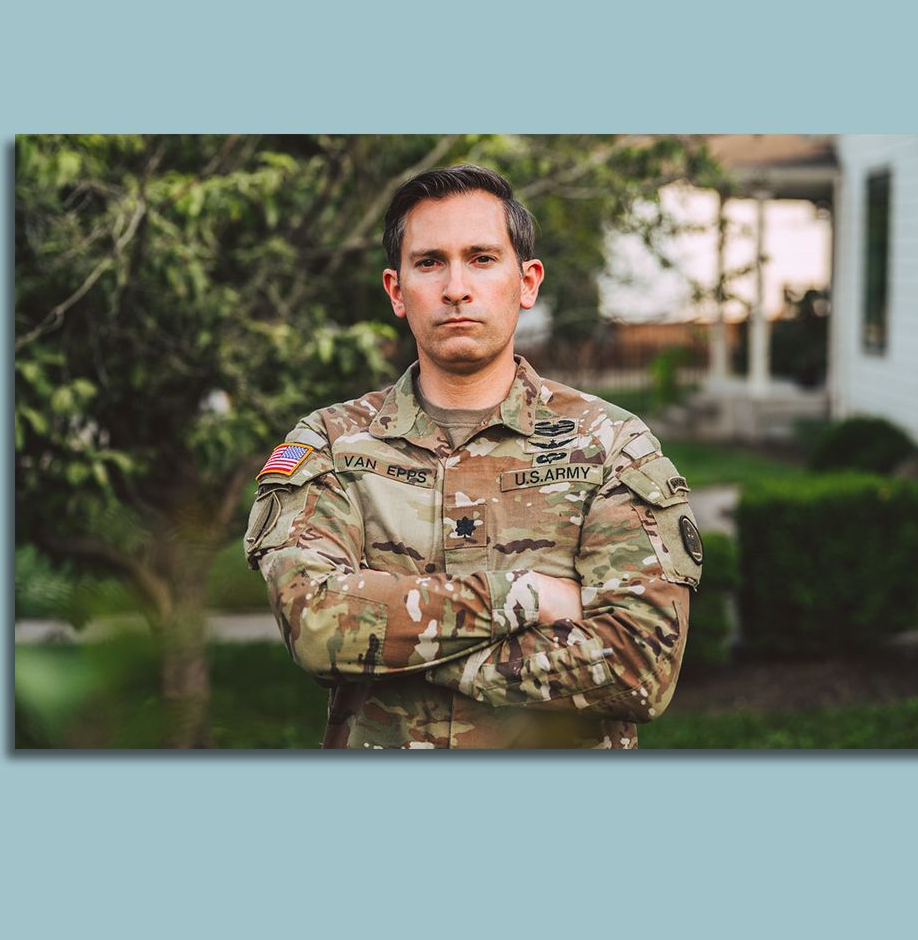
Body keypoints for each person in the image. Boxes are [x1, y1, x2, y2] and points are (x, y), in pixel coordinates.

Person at [244, 165, 701, 749]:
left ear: (527, 282)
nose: (456, 286)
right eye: (430, 262)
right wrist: (528, 597)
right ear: (396, 291)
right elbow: (317, 626)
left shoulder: (610, 445)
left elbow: (640, 667)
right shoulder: (332, 444)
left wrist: (399, 648)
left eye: (482, 258)